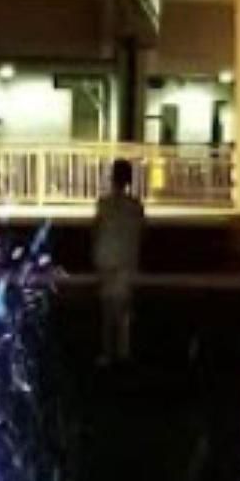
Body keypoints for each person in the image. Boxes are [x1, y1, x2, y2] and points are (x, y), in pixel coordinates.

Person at [90, 156, 146, 366]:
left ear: (112, 178)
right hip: (126, 259)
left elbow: (96, 231)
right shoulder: (135, 206)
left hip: (106, 258)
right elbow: (142, 232)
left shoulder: (104, 204)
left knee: (107, 309)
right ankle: (123, 352)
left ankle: (107, 352)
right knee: (123, 309)